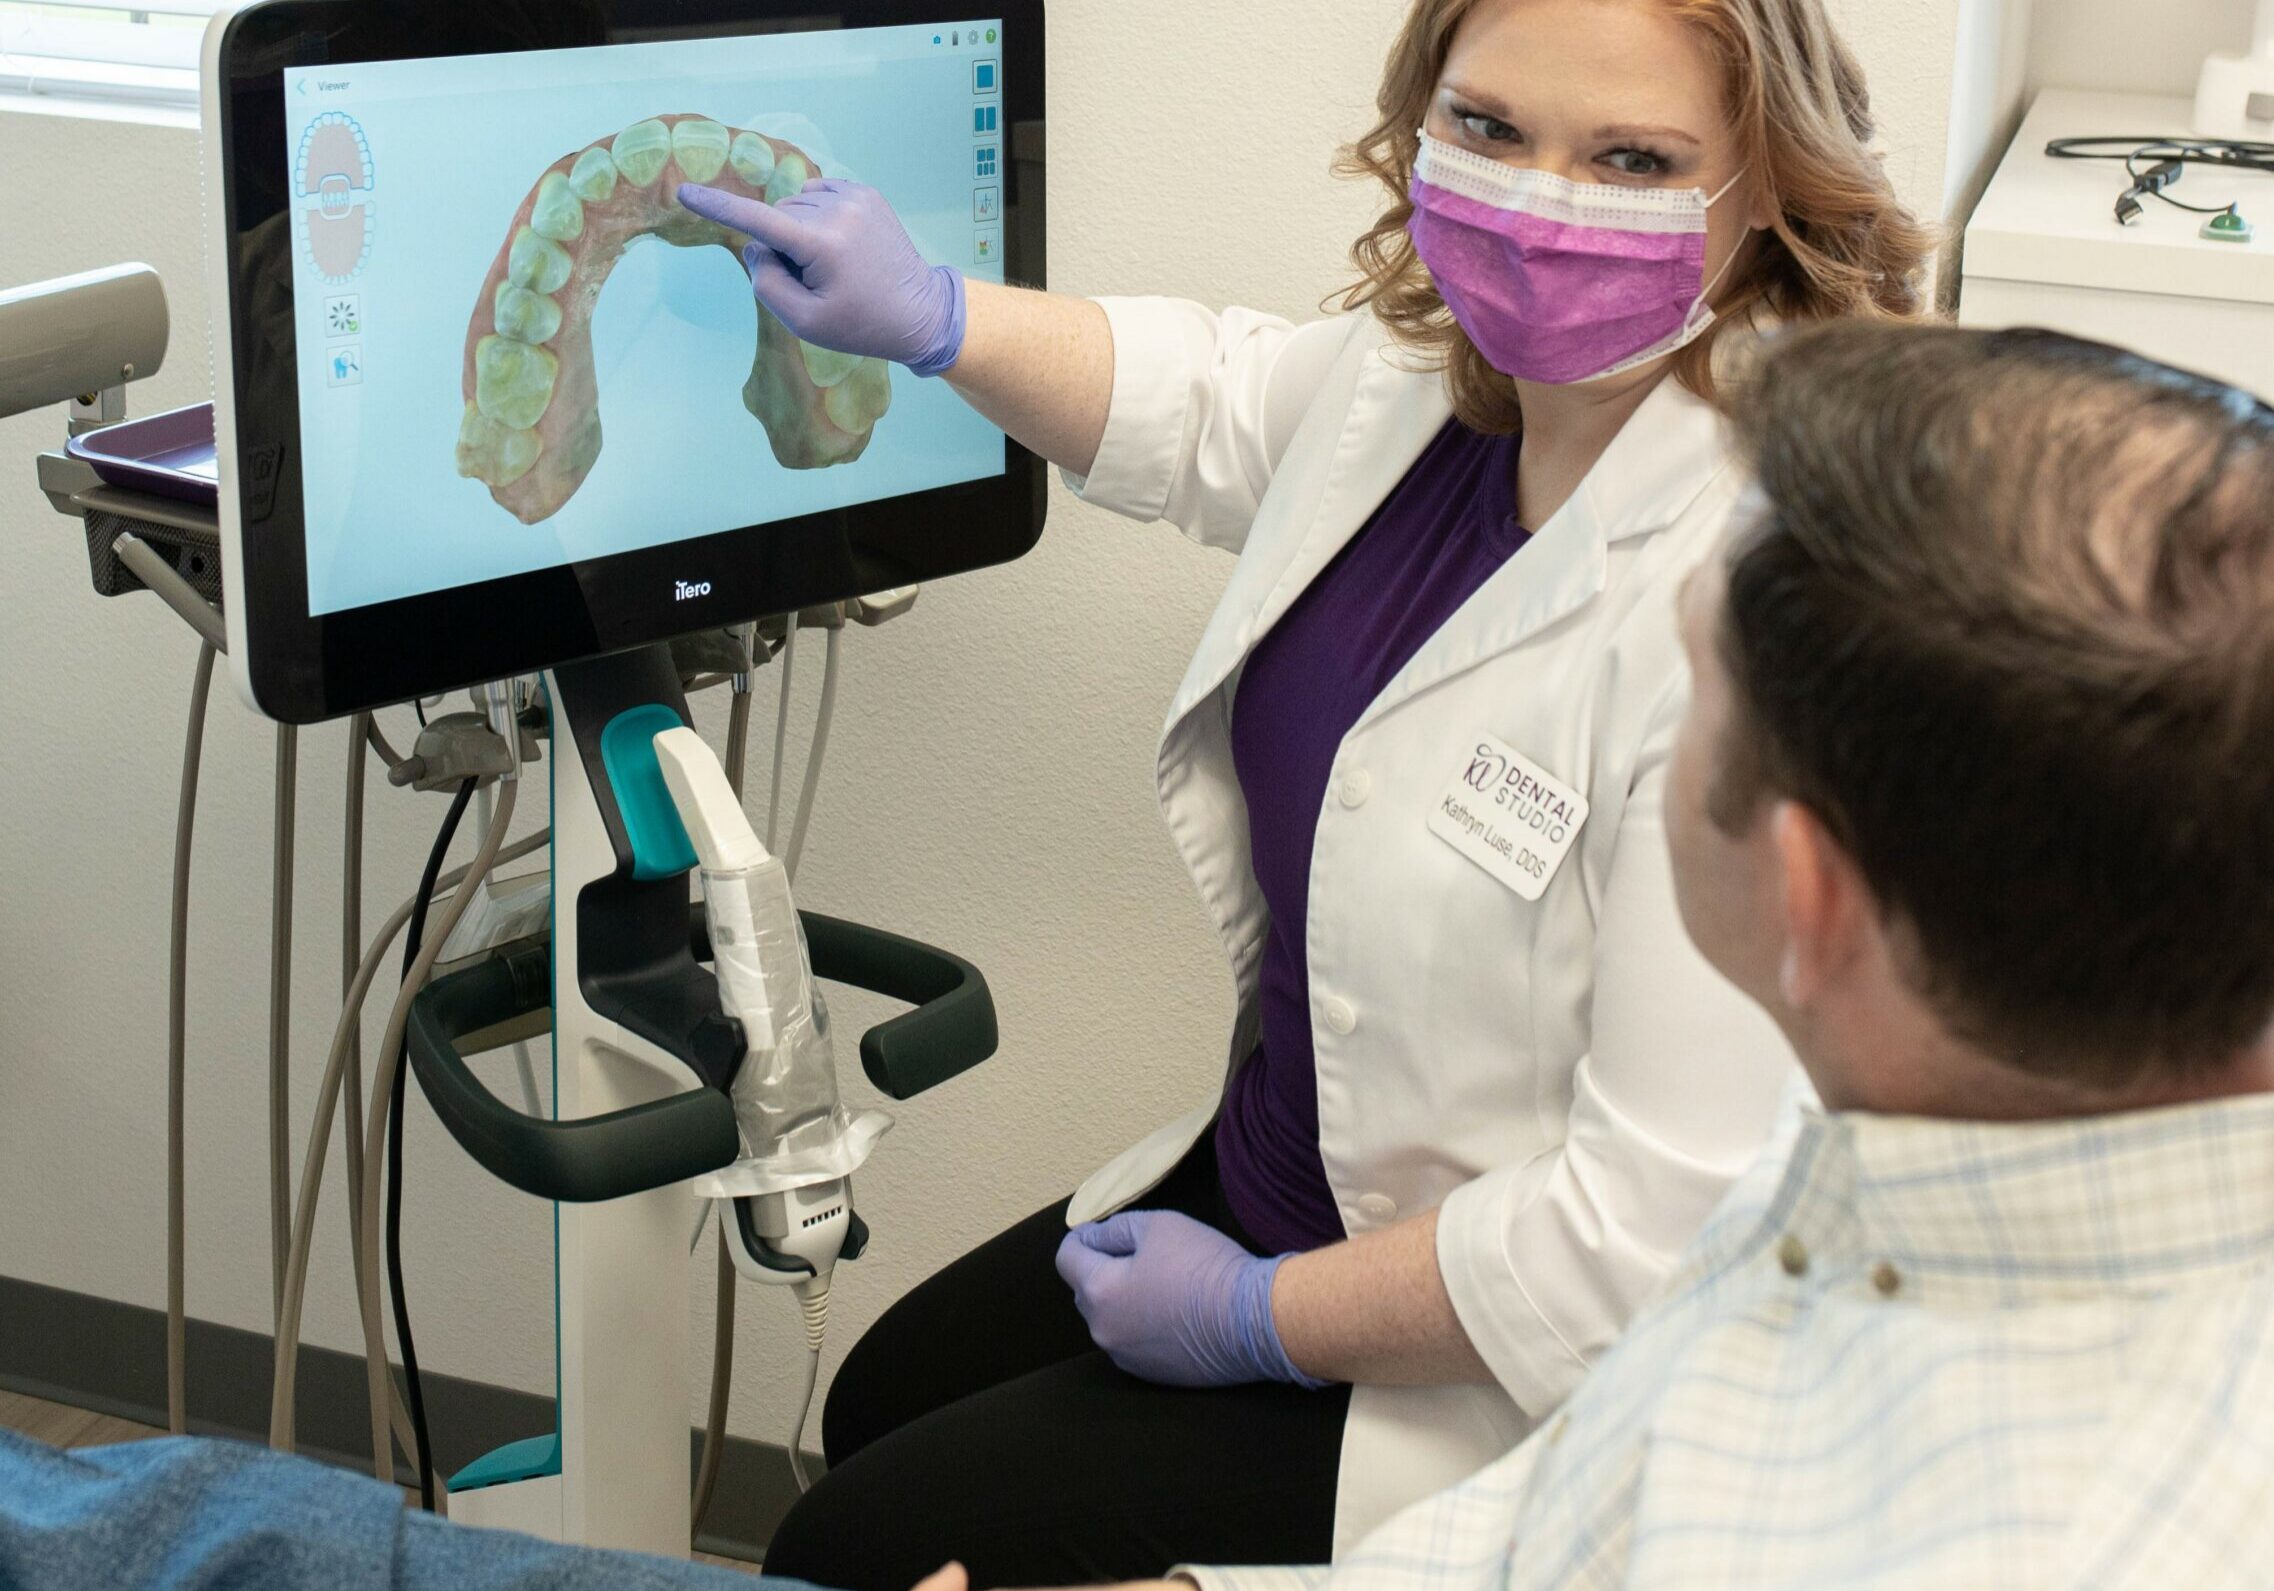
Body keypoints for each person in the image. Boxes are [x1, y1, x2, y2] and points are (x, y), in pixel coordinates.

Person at [679, 0, 1932, 1581]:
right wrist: (934, 315)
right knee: (880, 1405)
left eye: (1631, 158)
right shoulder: (1427, 391)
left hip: (1495, 1349)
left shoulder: (1763, 599)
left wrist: (1257, 1322)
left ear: (1765, 188)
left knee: (849, 1547)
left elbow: (1646, 1236)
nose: (1541, 200)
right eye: (1486, 130)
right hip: (1281, 1172)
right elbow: (1211, 402)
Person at [920, 320, 2274, 1591]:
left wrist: (1255, 1321)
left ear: (1804, 898)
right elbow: (1546, 1542)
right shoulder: (1912, 1176)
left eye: (1695, 711)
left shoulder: (2018, 1532)